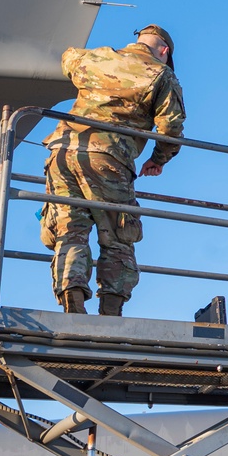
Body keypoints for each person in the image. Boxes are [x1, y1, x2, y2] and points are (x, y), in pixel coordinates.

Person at [40, 24, 186, 316]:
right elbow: (171, 127)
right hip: (108, 157)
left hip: (62, 151)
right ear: (164, 52)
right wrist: (158, 159)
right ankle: (110, 311)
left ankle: (73, 302)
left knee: (70, 229)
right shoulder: (160, 74)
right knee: (119, 234)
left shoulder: (96, 58)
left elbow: (68, 58)